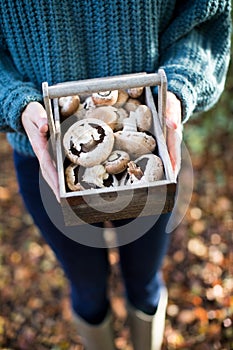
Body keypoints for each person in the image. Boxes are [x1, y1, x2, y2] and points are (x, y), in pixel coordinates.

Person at [0, 1, 231, 349]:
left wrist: (178, 88)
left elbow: (205, 16)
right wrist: (14, 100)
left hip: (153, 147)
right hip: (43, 154)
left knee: (145, 281)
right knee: (88, 289)